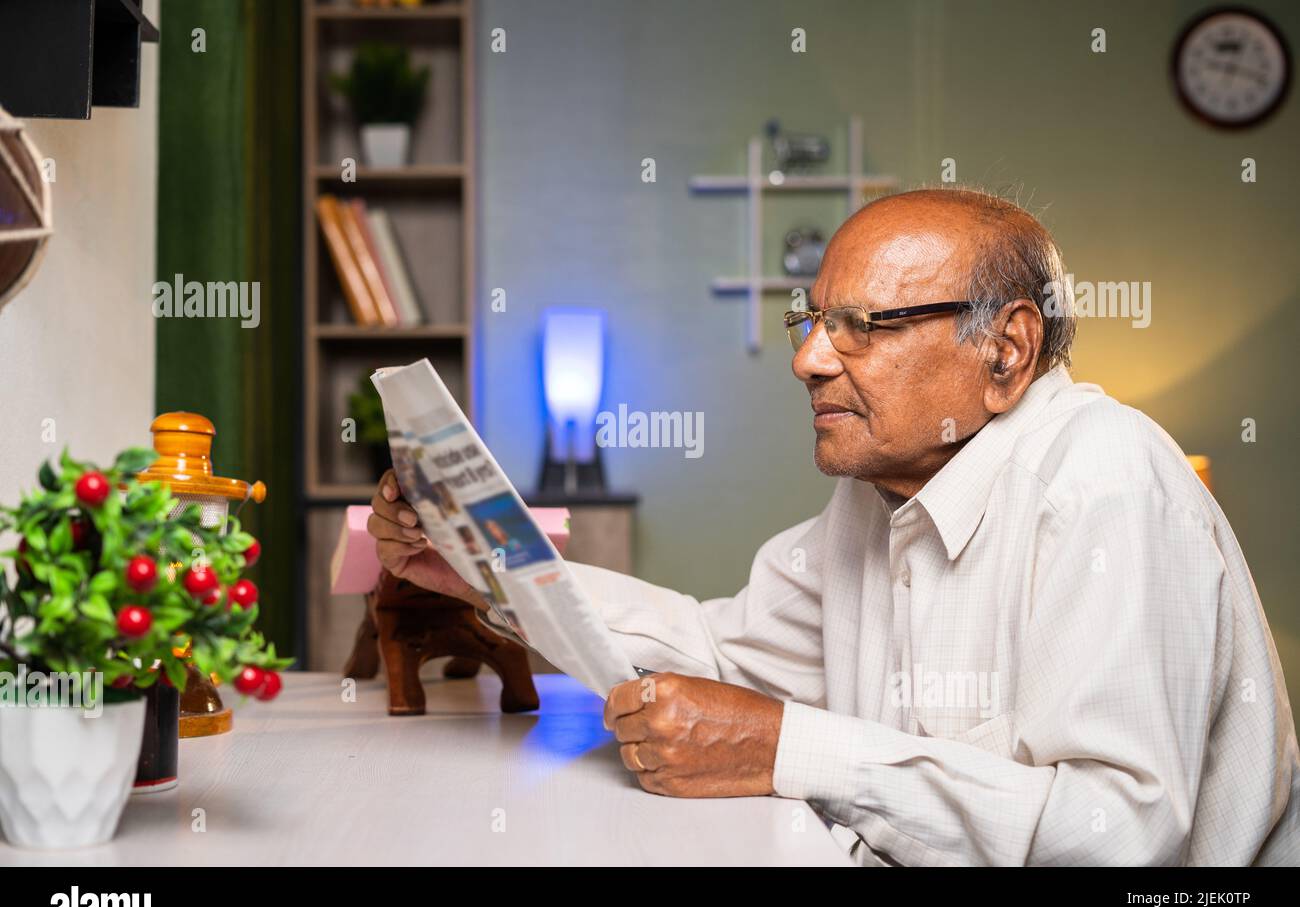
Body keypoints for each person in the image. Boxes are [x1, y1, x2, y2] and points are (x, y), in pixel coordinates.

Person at [367, 188, 1299, 866]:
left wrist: (783, 747)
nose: (810, 360)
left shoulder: (1107, 480)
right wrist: (480, 568)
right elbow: (716, 650)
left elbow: (1121, 840)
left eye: (864, 326)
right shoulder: (882, 489)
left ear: (1007, 349)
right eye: (812, 322)